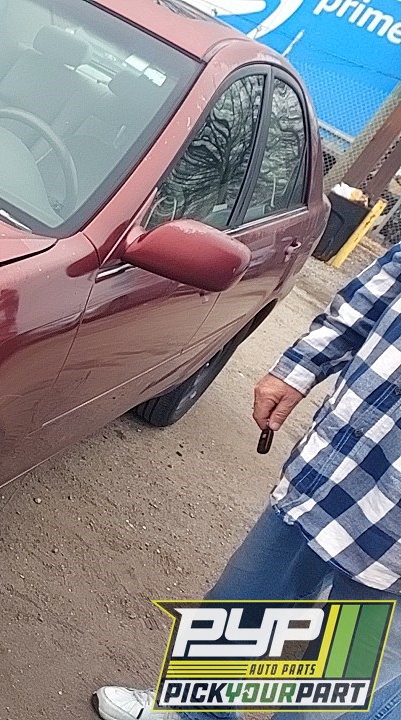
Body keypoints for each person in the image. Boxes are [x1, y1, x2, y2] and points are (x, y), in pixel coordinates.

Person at [94, 243, 401, 720]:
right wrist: (298, 370)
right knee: (245, 600)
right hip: (337, 468)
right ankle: (194, 714)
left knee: (344, 671)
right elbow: (372, 298)